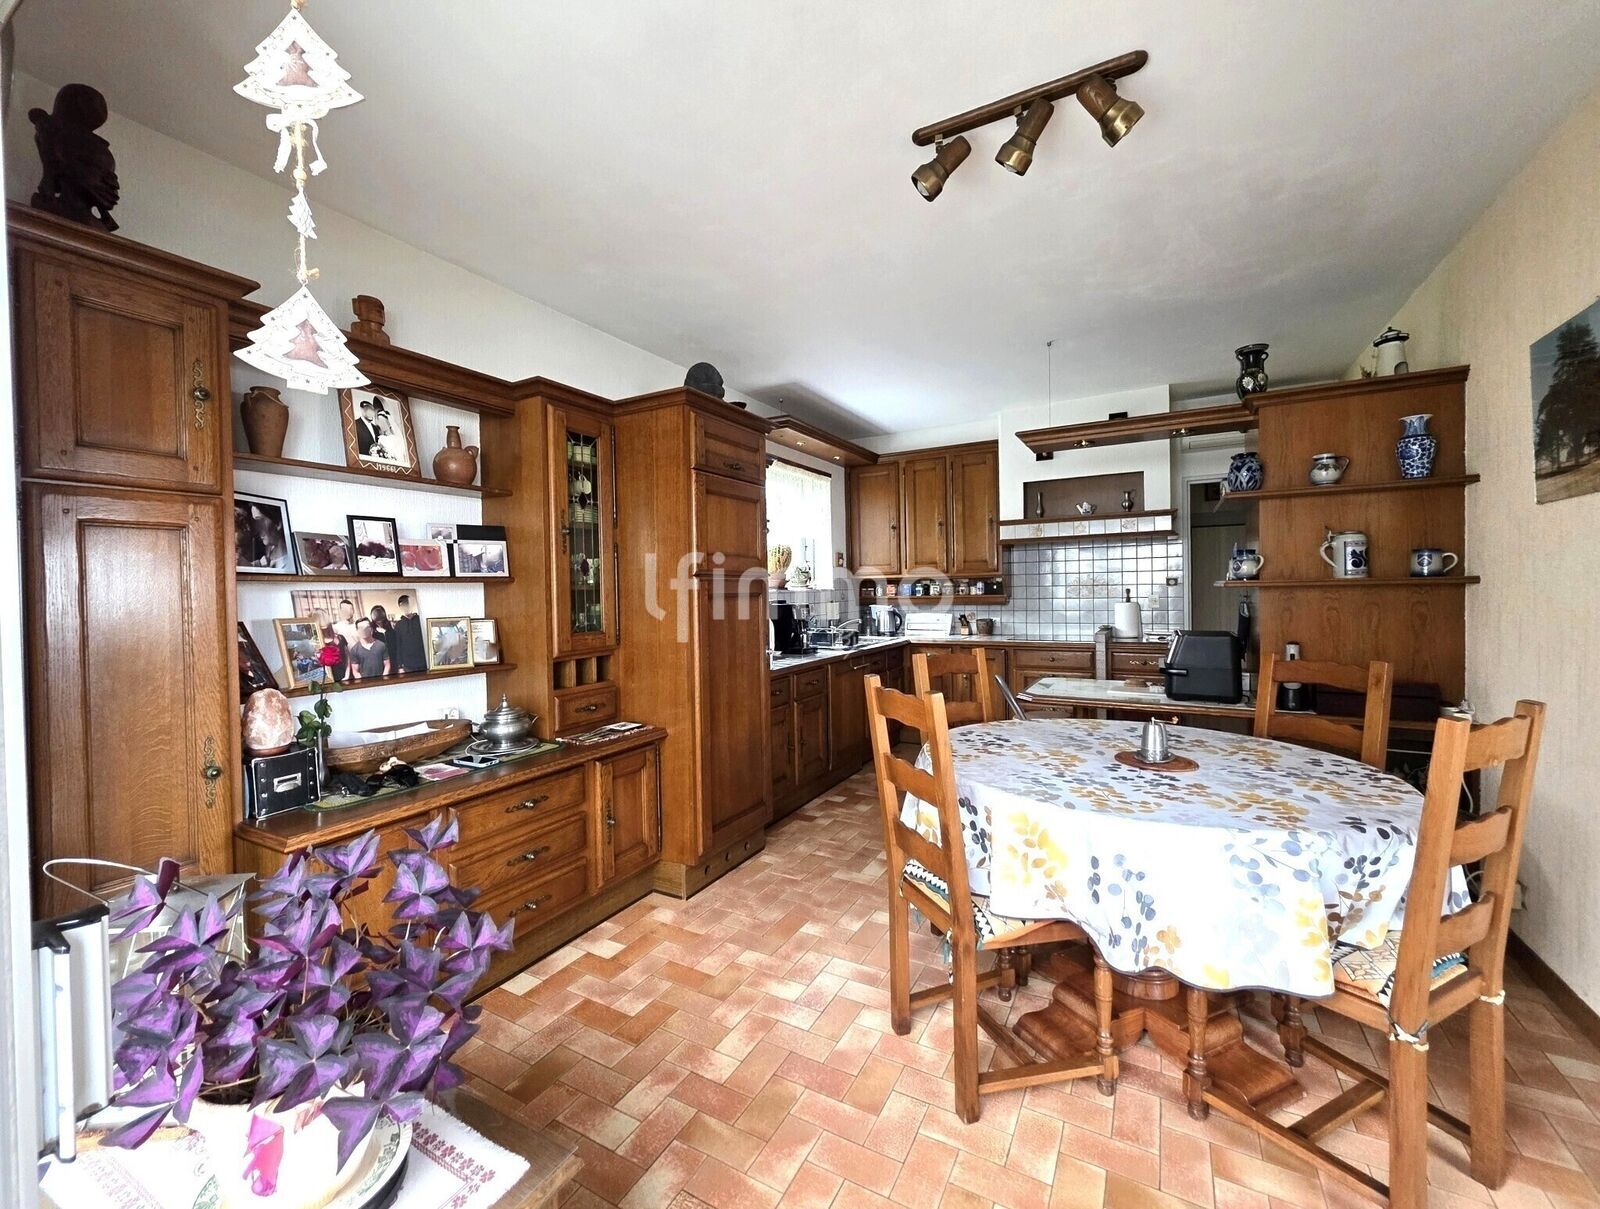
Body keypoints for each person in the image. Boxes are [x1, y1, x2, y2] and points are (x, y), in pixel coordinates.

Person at [389, 593, 427, 673]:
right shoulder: (398, 625)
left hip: (424, 662)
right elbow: (398, 646)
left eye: (407, 604)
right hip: (407, 665)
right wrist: (400, 666)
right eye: (402, 605)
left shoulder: (421, 620)